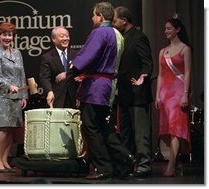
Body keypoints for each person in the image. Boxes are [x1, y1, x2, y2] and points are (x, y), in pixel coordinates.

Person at [66, 2, 135, 180]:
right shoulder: (118, 34)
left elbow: (89, 55)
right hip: (108, 85)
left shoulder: (100, 32)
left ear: (101, 16)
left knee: (90, 126)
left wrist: (71, 72)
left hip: (97, 86)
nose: (92, 18)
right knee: (103, 126)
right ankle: (125, 157)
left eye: (94, 15)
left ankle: (103, 167)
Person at [112, 6, 153, 178]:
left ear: (124, 20)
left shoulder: (139, 37)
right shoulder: (121, 38)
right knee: (126, 134)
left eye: (114, 21)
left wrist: (144, 76)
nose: (113, 24)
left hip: (137, 93)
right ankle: (128, 165)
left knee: (140, 133)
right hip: (124, 93)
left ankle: (144, 165)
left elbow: (147, 62)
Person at [0, 22, 28, 173]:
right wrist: (9, 86)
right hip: (1, 95)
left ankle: (5, 160)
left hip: (17, 96)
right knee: (3, 128)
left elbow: (22, 74)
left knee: (11, 130)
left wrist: (23, 95)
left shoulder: (17, 53)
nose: (7, 37)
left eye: (9, 35)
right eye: (4, 34)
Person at [155, 17, 191, 177]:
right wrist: (157, 95)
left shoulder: (185, 49)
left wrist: (185, 94)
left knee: (176, 129)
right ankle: (176, 163)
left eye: (169, 28)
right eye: (165, 29)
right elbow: (161, 75)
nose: (166, 31)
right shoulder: (163, 51)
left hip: (178, 94)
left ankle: (171, 165)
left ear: (177, 30)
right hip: (165, 94)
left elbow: (188, 72)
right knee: (168, 130)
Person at [39, 26, 78, 108]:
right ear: (54, 39)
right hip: (57, 98)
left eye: (67, 36)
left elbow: (80, 73)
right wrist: (49, 91)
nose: (65, 38)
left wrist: (67, 74)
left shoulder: (76, 55)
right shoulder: (47, 57)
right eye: (62, 36)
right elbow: (44, 78)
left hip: (74, 98)